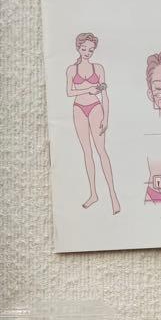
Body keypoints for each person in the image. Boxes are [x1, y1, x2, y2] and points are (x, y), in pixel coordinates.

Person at [67, 32, 119, 213]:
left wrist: (106, 117)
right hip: (78, 109)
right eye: (84, 49)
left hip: (96, 108)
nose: (87, 52)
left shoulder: (98, 68)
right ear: (78, 48)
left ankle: (113, 195)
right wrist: (88, 88)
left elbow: (105, 95)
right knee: (87, 152)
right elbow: (69, 92)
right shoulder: (71, 69)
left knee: (101, 151)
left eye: (91, 50)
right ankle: (93, 194)